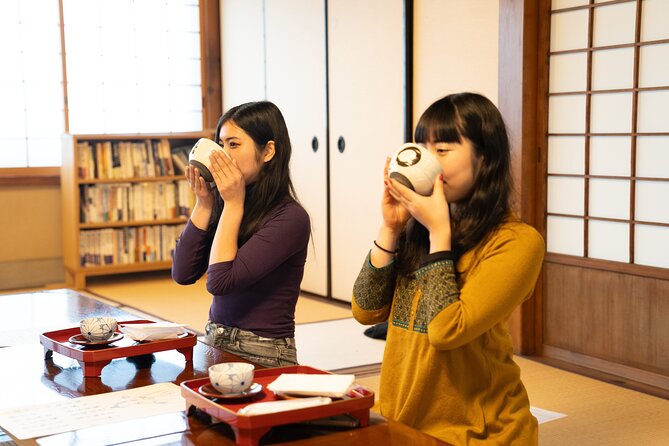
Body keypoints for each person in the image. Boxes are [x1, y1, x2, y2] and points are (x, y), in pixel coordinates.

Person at [352, 92, 544, 444]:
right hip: (402, 419)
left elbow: (446, 332)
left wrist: (439, 233)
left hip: (478, 433)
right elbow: (365, 310)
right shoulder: (416, 228)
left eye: (442, 149)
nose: (427, 161)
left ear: (484, 157)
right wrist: (391, 227)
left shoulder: (517, 242)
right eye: (422, 148)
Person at [172, 101, 310, 368]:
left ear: (268, 151)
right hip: (213, 339)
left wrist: (233, 204)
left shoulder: (290, 218)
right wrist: (204, 204)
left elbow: (219, 283)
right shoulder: (227, 205)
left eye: (233, 145)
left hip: (265, 350)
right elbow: (183, 273)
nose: (222, 155)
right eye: (220, 144)